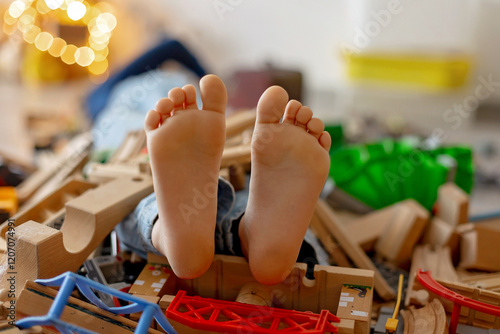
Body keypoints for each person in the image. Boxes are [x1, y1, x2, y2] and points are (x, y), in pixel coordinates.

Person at [117, 74, 331, 285]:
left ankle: (165, 235)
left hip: (184, 195)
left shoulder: (124, 96)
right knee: (255, 199)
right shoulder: (166, 84)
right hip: (243, 188)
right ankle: (248, 236)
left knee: (130, 207)